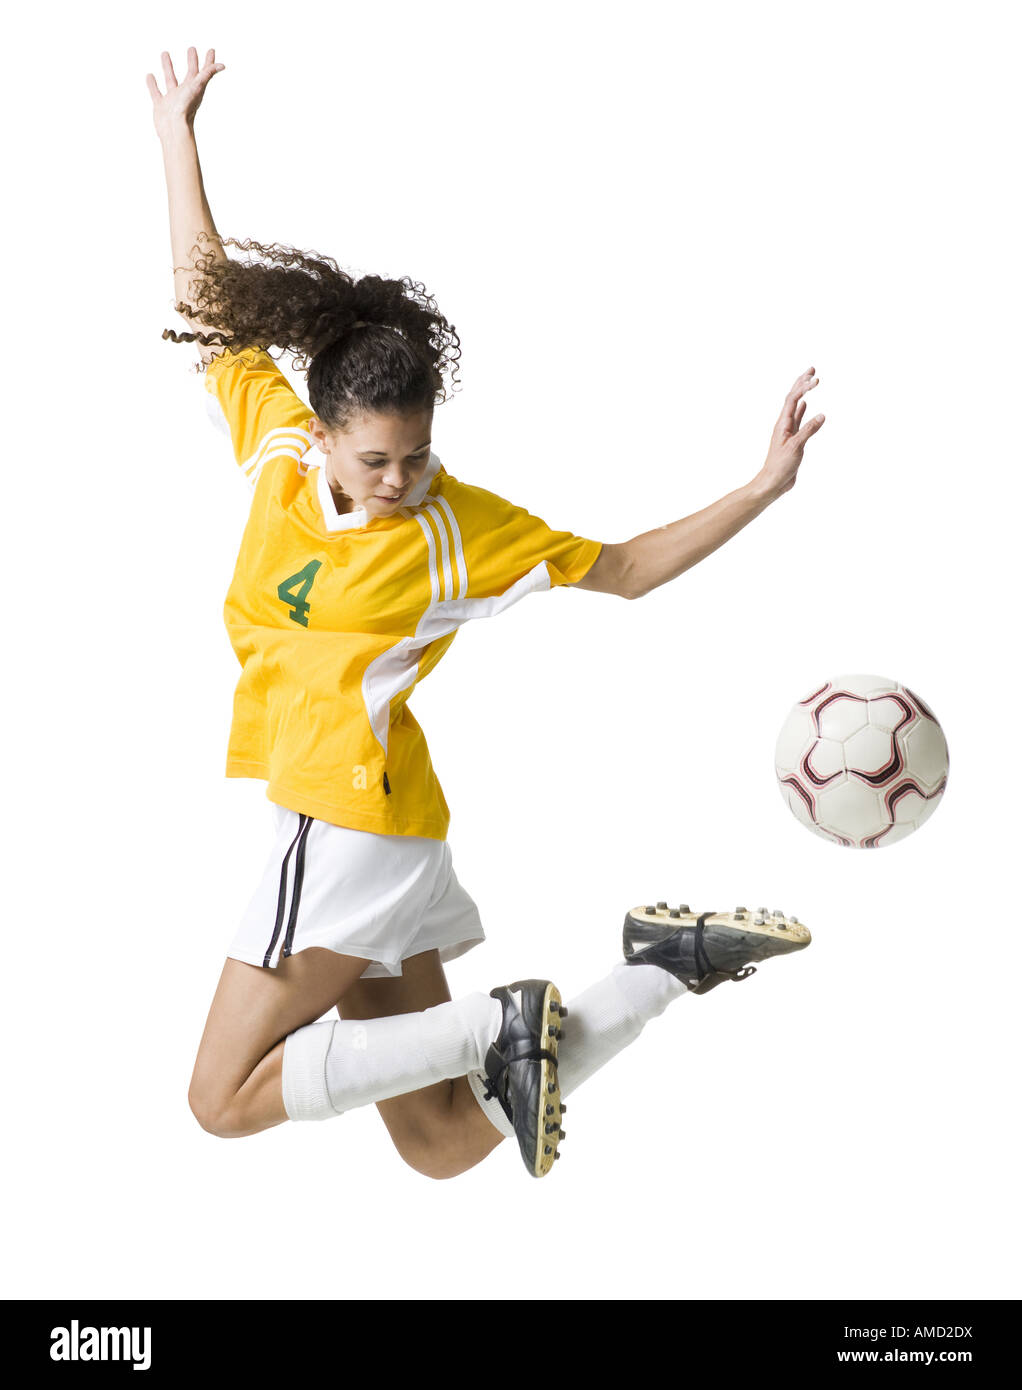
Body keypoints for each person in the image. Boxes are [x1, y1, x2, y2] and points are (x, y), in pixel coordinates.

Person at [148, 47, 826, 1180]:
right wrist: (177, 135)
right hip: (393, 834)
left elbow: (622, 567)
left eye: (417, 455)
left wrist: (758, 487)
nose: (397, 479)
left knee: (218, 1099)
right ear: (321, 435)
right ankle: (660, 967)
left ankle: (499, 1027)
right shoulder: (272, 444)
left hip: (343, 824)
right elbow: (206, 300)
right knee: (444, 1141)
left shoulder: (457, 530)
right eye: (373, 458)